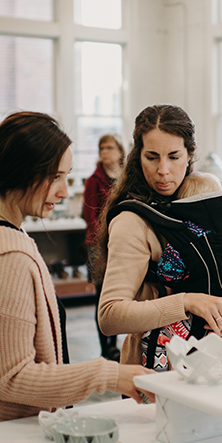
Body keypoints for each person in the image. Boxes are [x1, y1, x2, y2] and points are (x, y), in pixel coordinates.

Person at [0, 111, 153, 430]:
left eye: (67, 176)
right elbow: (12, 377)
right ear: (20, 172)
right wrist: (110, 374)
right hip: (3, 438)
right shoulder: (5, 257)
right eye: (55, 177)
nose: (64, 191)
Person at [95, 104, 222, 367]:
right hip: (155, 370)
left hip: (217, 364)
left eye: (174, 157)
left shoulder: (201, 199)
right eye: (152, 157)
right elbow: (109, 317)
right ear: (138, 156)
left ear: (190, 154)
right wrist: (187, 301)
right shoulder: (132, 220)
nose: (163, 170)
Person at [83, 133, 125, 361]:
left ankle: (115, 343)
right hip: (99, 246)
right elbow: (91, 217)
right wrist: (109, 237)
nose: (104, 151)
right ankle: (105, 348)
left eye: (109, 147)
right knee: (102, 298)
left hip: (121, 243)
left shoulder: (126, 178)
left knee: (119, 296)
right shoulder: (93, 180)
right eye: (101, 148)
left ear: (120, 151)